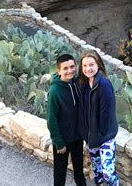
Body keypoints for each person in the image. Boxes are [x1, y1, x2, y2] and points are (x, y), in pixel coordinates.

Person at [77, 50, 119, 185]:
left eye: (91, 65)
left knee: (108, 173)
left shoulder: (104, 85)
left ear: (98, 65)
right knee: (98, 172)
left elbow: (106, 113)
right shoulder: (83, 84)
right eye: (85, 66)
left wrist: (100, 134)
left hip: (105, 136)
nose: (88, 68)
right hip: (91, 136)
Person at [47, 54, 86, 186]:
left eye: (72, 66)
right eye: (65, 68)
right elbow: (51, 119)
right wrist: (58, 142)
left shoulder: (76, 83)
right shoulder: (55, 91)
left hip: (77, 138)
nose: (70, 71)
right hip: (62, 141)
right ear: (58, 71)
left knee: (79, 173)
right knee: (60, 175)